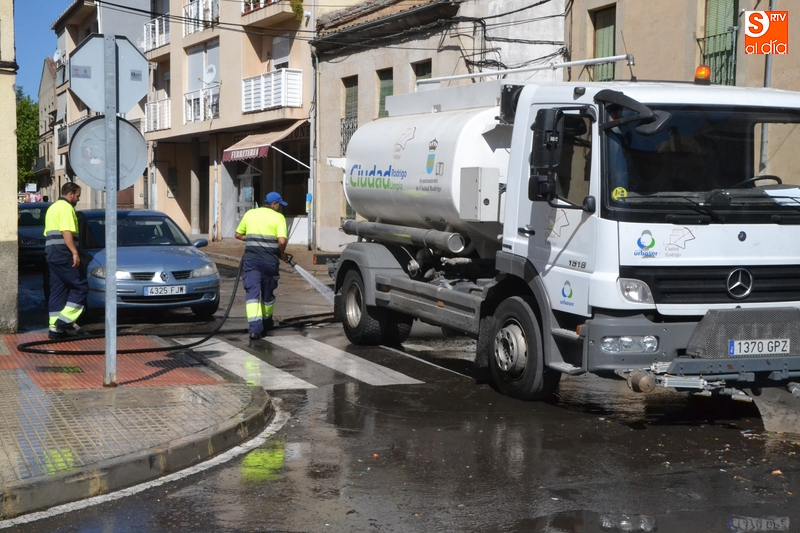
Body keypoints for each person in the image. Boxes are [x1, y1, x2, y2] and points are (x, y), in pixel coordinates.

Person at [235, 191, 288, 339]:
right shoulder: (278, 218)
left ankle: (254, 330)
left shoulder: (250, 214)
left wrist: (253, 239)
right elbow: (282, 241)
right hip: (270, 261)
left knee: (252, 294)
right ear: (274, 204)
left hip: (251, 261)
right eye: (279, 205)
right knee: (267, 294)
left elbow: (238, 234)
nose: (279, 208)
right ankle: (267, 321)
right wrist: (282, 253)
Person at [44, 182, 88, 339]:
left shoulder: (53, 208)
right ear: (70, 194)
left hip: (51, 254)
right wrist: (74, 252)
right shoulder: (66, 208)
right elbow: (66, 231)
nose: (78, 199)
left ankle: (55, 330)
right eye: (77, 196)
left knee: (58, 290)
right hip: (64, 254)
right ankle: (64, 321)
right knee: (81, 287)